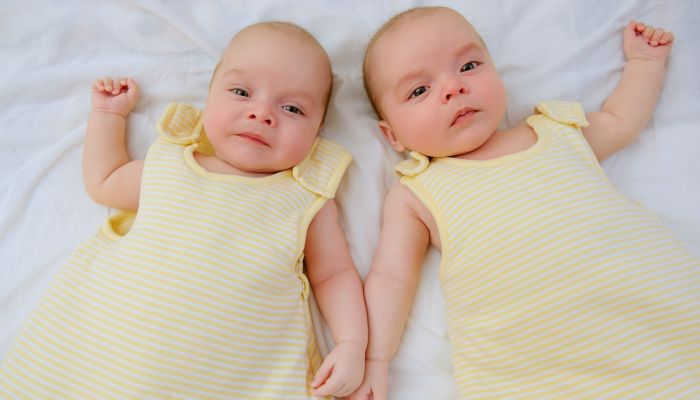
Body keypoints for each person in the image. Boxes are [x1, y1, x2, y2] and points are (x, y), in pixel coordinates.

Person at [0, 21, 367, 399]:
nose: (262, 113)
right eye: (241, 92)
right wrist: (109, 116)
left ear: (318, 131)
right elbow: (105, 180)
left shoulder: (305, 197)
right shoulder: (171, 165)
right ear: (209, 98)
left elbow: (335, 274)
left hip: (227, 375)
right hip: (107, 357)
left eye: (292, 108)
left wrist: (351, 343)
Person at [352, 6, 700, 399]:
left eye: (468, 66)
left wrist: (645, 62)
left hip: (653, 319)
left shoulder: (554, 132)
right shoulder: (418, 193)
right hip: (533, 367)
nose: (453, 88)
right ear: (392, 136)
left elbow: (621, 120)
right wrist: (375, 360)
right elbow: (391, 279)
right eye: (420, 90)